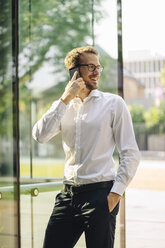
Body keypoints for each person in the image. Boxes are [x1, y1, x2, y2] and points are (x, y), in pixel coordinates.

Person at [32, 46, 140, 248]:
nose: (97, 71)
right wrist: (65, 98)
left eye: (98, 66)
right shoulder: (62, 106)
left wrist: (115, 195)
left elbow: (130, 154)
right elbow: (40, 135)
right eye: (91, 66)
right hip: (67, 196)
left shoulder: (113, 104)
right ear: (74, 71)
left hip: (100, 196)